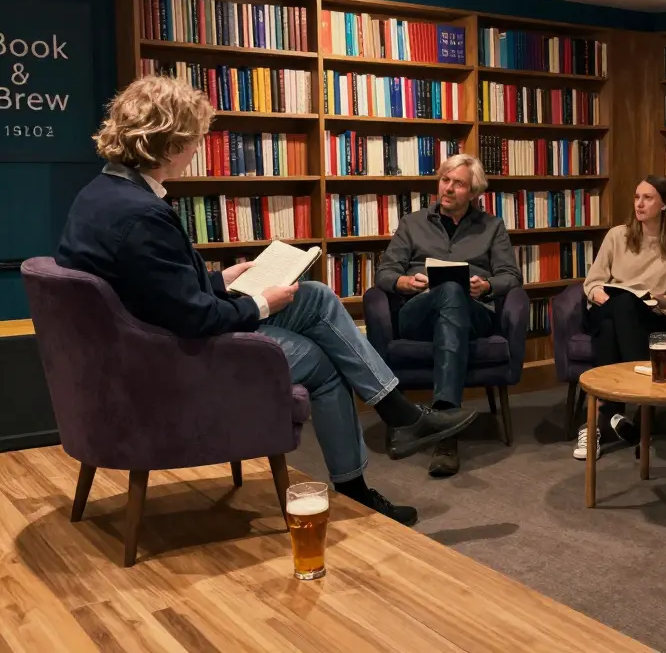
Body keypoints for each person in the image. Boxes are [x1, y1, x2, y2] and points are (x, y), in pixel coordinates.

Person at [55, 75, 477, 527]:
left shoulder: (102, 195)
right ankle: (364, 474)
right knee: (324, 364)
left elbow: (153, 287)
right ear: (169, 140)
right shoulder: (142, 213)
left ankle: (396, 412)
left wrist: (222, 279)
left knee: (313, 295)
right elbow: (194, 316)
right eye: (195, 138)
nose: (198, 148)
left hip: (148, 340)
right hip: (170, 360)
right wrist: (261, 304)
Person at [374, 153, 522, 478]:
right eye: (445, 180)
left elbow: (511, 276)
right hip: (419, 311)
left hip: (473, 313)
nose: (449, 188)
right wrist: (404, 282)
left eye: (458, 183)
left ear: (473, 192)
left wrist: (485, 286)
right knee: (447, 293)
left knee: (454, 292)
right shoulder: (412, 224)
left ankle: (443, 422)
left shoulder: (492, 227)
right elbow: (384, 273)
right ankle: (447, 427)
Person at [574, 176, 666, 460]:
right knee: (617, 308)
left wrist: (661, 297)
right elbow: (592, 282)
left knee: (621, 309)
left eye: (648, 198)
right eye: (637, 197)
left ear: (664, 204)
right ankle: (641, 406)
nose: (639, 204)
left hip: (653, 315)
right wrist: (599, 295)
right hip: (611, 309)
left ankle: (600, 418)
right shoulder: (617, 235)